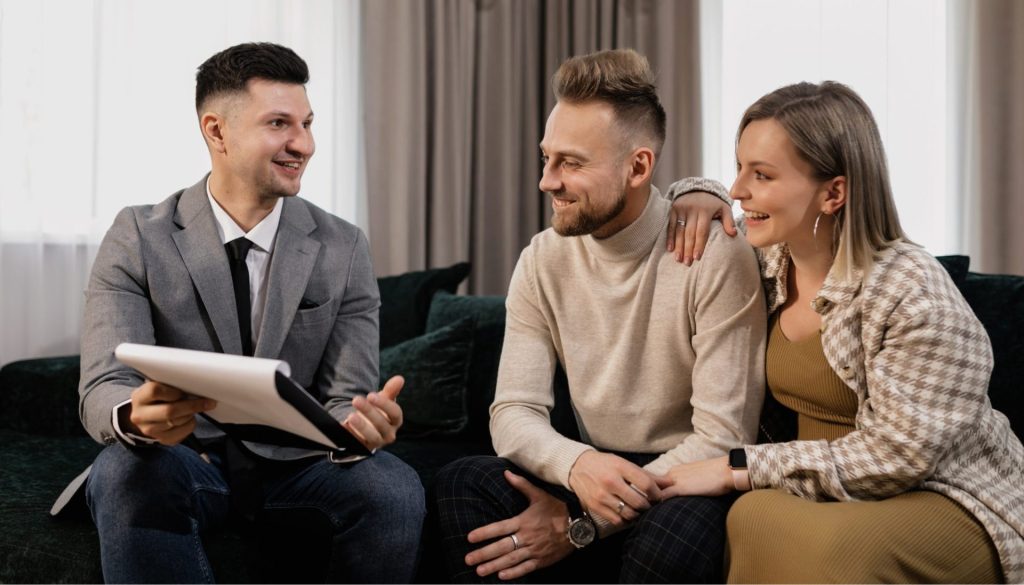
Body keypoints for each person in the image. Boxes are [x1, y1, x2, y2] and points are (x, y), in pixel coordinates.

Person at [60, 42, 424, 583]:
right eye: (279, 123)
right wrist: (136, 415)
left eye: (307, 124)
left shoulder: (344, 245)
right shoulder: (138, 235)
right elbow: (104, 385)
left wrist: (357, 425)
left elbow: (346, 395)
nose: (303, 144)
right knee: (124, 470)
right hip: (181, 460)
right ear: (216, 131)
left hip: (300, 468)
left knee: (393, 486)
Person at [664, 81, 1024, 583]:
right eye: (739, 166)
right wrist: (696, 193)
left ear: (833, 193)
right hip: (821, 490)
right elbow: (696, 211)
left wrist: (737, 467)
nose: (739, 189)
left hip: (942, 494)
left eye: (761, 175)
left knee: (828, 547)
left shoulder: (913, 292)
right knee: (753, 517)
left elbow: (899, 456)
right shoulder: (766, 258)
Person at [432, 49, 767, 583]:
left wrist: (579, 524)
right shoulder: (542, 259)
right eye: (546, 158)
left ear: (638, 167)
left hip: (684, 477)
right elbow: (514, 410)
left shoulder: (715, 254)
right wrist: (578, 467)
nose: (547, 181)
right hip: (590, 468)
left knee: (674, 537)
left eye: (571, 163)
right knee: (461, 483)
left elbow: (723, 436)